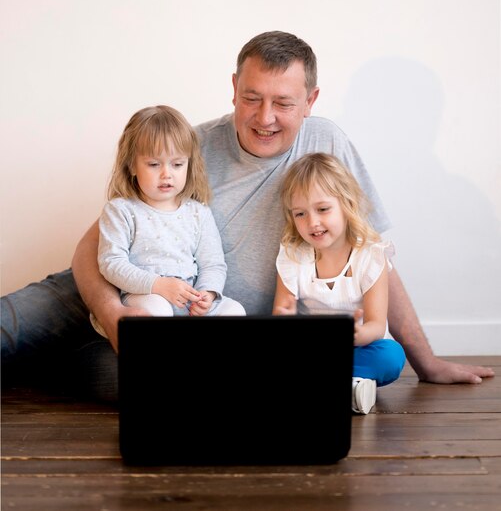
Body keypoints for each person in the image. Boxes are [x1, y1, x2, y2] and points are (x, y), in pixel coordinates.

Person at [1, 31, 494, 402]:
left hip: (190, 330)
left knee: (147, 387)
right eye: (252, 98)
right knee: (12, 329)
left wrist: (424, 360)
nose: (265, 118)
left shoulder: (328, 145)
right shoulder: (190, 147)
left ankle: (48, 366)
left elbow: (373, 257)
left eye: (283, 103)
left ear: (311, 101)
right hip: (114, 286)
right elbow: (94, 246)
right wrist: (111, 315)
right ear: (234, 87)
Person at [93, 104, 245, 337]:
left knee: (235, 311)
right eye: (154, 164)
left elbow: (213, 263)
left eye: (177, 164)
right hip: (145, 295)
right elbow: (112, 263)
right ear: (132, 165)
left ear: (188, 164)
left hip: (188, 299)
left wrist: (208, 293)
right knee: (158, 310)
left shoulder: (198, 213)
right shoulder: (121, 210)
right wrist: (158, 285)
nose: (167, 174)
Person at [272, 152, 405, 414]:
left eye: (322, 209)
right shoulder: (292, 255)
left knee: (391, 356)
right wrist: (283, 319)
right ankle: (352, 388)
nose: (313, 222)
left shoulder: (371, 256)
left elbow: (377, 325)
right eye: (300, 214)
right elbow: (281, 311)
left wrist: (356, 336)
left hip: (361, 347)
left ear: (346, 204)